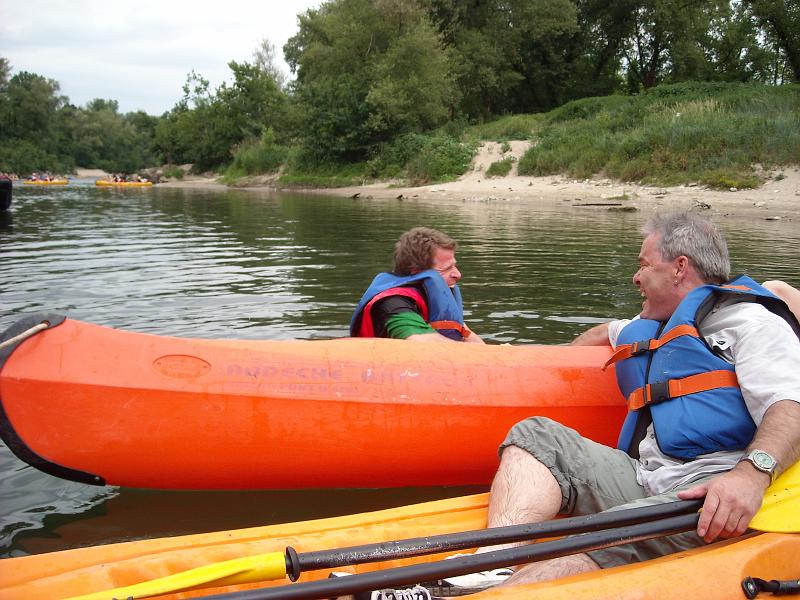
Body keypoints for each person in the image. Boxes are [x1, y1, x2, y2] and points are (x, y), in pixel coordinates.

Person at [446, 212, 800, 591]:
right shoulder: (657, 323)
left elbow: (791, 407)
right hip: (645, 475)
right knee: (536, 435)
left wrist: (751, 475)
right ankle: (497, 560)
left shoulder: (753, 324)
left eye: (644, 265)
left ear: (680, 268)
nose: (636, 277)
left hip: (709, 491)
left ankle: (497, 594)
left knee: (595, 540)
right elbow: (604, 331)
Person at [350, 227, 485, 343]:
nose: (458, 274)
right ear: (417, 271)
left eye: (454, 265)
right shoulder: (393, 303)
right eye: (447, 268)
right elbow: (421, 342)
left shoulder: (439, 299)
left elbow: (470, 337)